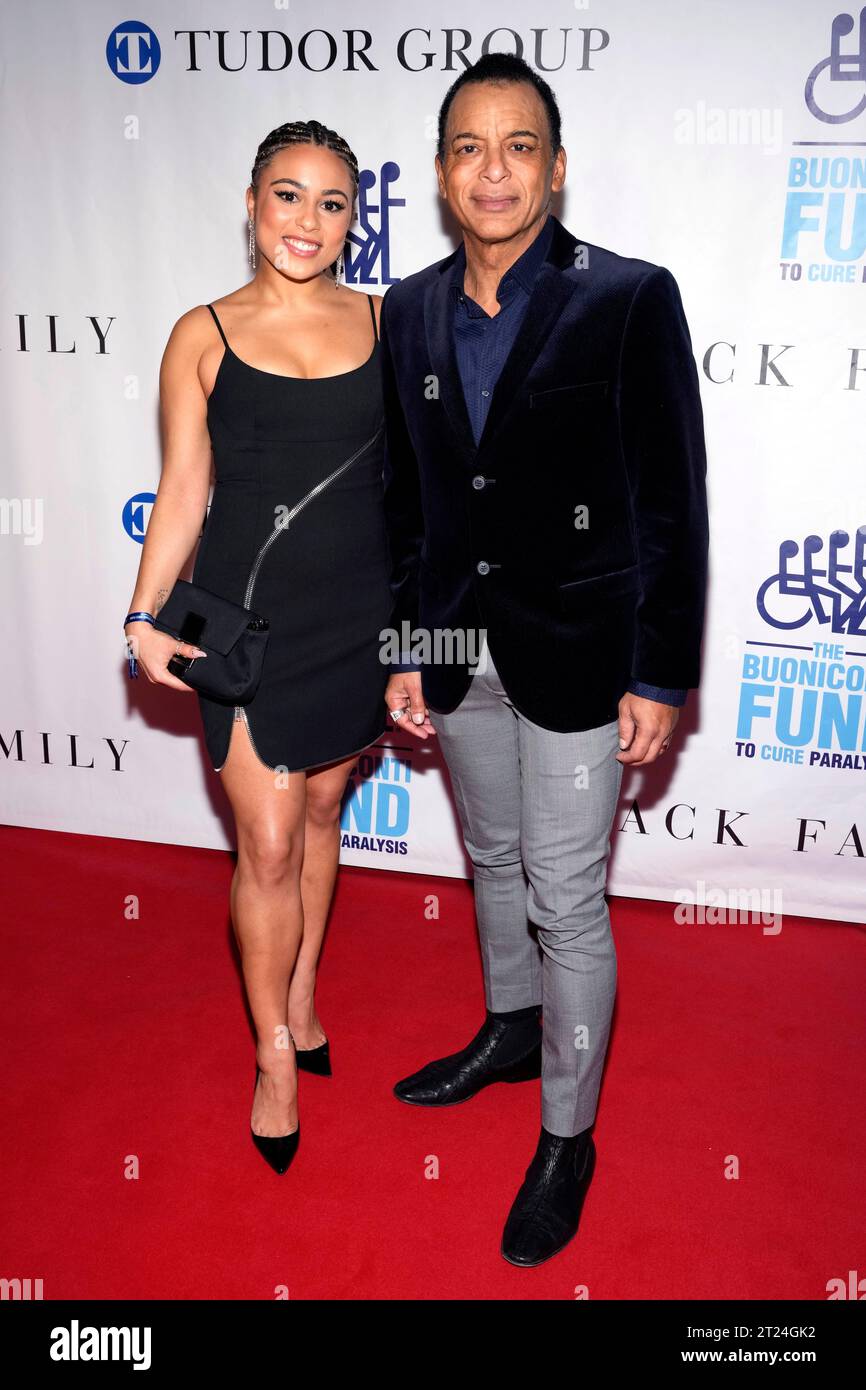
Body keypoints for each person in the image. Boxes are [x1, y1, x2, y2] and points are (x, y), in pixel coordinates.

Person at [381, 54, 709, 1265]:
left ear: (556, 168)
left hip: (582, 649)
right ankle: (507, 1032)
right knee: (491, 855)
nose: (493, 169)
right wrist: (411, 648)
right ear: (436, 173)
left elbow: (670, 496)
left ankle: (566, 1136)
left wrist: (659, 675)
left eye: (518, 145)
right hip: (461, 648)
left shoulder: (626, 297)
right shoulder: (407, 309)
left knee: (566, 895)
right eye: (468, 146)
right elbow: (407, 500)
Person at [122, 119, 392, 1175]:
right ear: (250, 201)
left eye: (331, 204)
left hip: (357, 618)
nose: (307, 221)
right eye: (288, 196)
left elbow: (408, 498)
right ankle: (272, 1053)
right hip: (243, 619)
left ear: (352, 220)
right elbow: (183, 488)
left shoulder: (386, 319)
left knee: (324, 810)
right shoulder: (203, 331)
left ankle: (306, 995)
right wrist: (143, 616)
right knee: (268, 843)